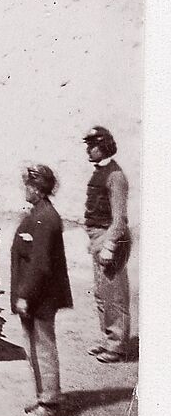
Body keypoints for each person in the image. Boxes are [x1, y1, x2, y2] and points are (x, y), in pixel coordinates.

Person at [11, 164, 73, 416]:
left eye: (28, 185)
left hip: (41, 297)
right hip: (33, 295)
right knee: (32, 347)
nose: (25, 188)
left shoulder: (46, 218)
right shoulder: (36, 213)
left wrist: (25, 295)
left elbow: (41, 265)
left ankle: (49, 403)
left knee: (43, 348)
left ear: (37, 188)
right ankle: (42, 395)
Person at [82, 125, 131, 362]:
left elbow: (119, 219)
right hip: (97, 237)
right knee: (102, 294)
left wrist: (109, 246)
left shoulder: (115, 176)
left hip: (111, 237)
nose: (89, 150)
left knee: (114, 294)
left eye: (93, 146)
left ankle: (117, 346)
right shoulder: (100, 171)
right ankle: (107, 339)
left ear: (105, 147)